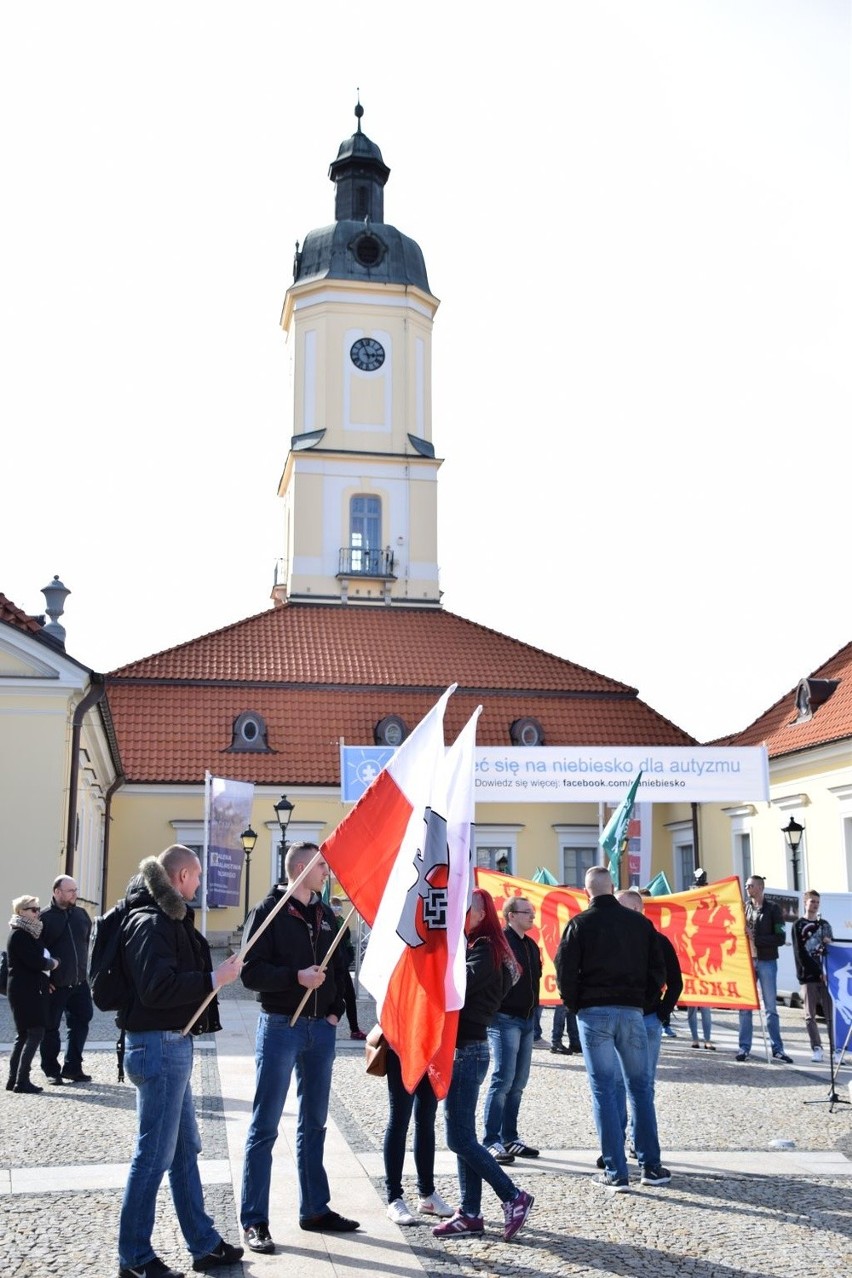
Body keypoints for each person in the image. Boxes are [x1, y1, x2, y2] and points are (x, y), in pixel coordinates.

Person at [117, 845, 244, 1278]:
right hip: (158, 1047)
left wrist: (214, 976)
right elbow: (156, 989)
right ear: (183, 875)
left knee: (185, 1149)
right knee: (153, 1155)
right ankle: (133, 1256)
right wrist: (213, 979)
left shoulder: (165, 917)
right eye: (198, 877)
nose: (200, 885)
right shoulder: (151, 922)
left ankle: (203, 1243)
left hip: (170, 1045)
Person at [240, 843, 357, 1254]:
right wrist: (296, 978)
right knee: (265, 1127)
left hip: (319, 1031)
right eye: (322, 865)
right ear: (302, 867)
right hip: (279, 1027)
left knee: (315, 1124)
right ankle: (255, 1220)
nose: (328, 872)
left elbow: (341, 967)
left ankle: (315, 1208)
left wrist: (335, 1010)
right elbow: (249, 972)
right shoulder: (270, 910)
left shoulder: (326, 915)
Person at [556, 865, 670, 1192]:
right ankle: (651, 1166)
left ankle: (616, 1171)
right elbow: (657, 969)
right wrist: (642, 1000)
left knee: (605, 1090)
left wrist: (576, 1005)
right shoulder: (639, 923)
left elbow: (564, 970)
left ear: (586, 891)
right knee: (640, 1088)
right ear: (613, 887)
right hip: (632, 1011)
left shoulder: (579, 924)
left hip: (594, 1012)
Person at [433, 887, 534, 1242]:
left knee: (459, 1139)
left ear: (478, 914)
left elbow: (456, 988)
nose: (456, 917)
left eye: (463, 910)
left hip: (467, 1051)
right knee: (466, 1138)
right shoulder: (488, 949)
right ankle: (470, 1213)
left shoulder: (486, 950)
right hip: (467, 1049)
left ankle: (513, 1196)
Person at [612, 890, 683, 1161]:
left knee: (642, 1085)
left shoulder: (659, 941)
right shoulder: (615, 941)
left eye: (623, 907)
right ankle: (616, 1140)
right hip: (620, 1017)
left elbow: (676, 982)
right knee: (617, 1083)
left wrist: (662, 1013)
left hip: (648, 1019)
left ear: (638, 909)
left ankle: (637, 1140)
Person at [483, 895, 542, 1163]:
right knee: (502, 1079)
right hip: (505, 1019)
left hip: (527, 1020)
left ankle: (510, 1136)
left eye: (532, 911)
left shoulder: (530, 945)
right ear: (511, 916)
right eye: (526, 912)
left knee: (518, 1083)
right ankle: (491, 1139)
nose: (532, 916)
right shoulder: (500, 944)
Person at [383, 1042, 454, 1225]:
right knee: (399, 1120)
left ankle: (427, 1193)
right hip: (402, 1046)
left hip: (431, 1048)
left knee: (426, 1120)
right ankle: (394, 1198)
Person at [39, 875, 94, 1084]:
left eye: (76, 890)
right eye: (70, 891)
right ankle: (51, 1070)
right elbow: (36, 953)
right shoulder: (44, 918)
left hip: (79, 982)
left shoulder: (81, 915)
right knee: (50, 1027)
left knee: (83, 1019)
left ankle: (73, 1066)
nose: (75, 894)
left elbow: (87, 943)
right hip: (55, 984)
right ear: (57, 892)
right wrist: (44, 979)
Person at [6, 895, 59, 1094]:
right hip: (26, 992)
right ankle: (22, 1080)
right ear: (21, 912)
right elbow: (35, 962)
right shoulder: (21, 934)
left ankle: (14, 1079)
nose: (38, 912)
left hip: (29, 988)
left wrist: (47, 980)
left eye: (38, 909)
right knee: (34, 1033)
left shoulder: (30, 933)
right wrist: (53, 963)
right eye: (33, 909)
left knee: (24, 1035)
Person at [737, 874, 792, 1063]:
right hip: (747, 962)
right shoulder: (744, 908)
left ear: (760, 887)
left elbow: (780, 938)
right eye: (746, 885)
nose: (747, 888)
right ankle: (744, 1047)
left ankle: (777, 1048)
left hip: (766, 961)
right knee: (745, 1007)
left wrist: (755, 938)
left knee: (770, 1007)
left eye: (750, 885)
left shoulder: (773, 909)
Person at [791, 889, 833, 1063]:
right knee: (810, 1015)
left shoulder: (825, 925)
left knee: (830, 1015)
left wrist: (828, 943)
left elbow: (832, 951)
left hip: (826, 977)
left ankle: (835, 1049)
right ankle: (816, 1047)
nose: (815, 905)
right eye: (812, 902)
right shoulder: (798, 925)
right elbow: (799, 953)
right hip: (808, 976)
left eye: (817, 902)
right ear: (805, 903)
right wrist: (815, 972)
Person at [330, 895, 366, 1040]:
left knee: (350, 997)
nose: (337, 910)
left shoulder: (343, 922)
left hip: (342, 967)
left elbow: (348, 944)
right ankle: (328, 1028)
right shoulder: (327, 922)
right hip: (331, 967)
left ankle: (355, 1029)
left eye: (339, 907)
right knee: (334, 998)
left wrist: (349, 957)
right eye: (334, 906)